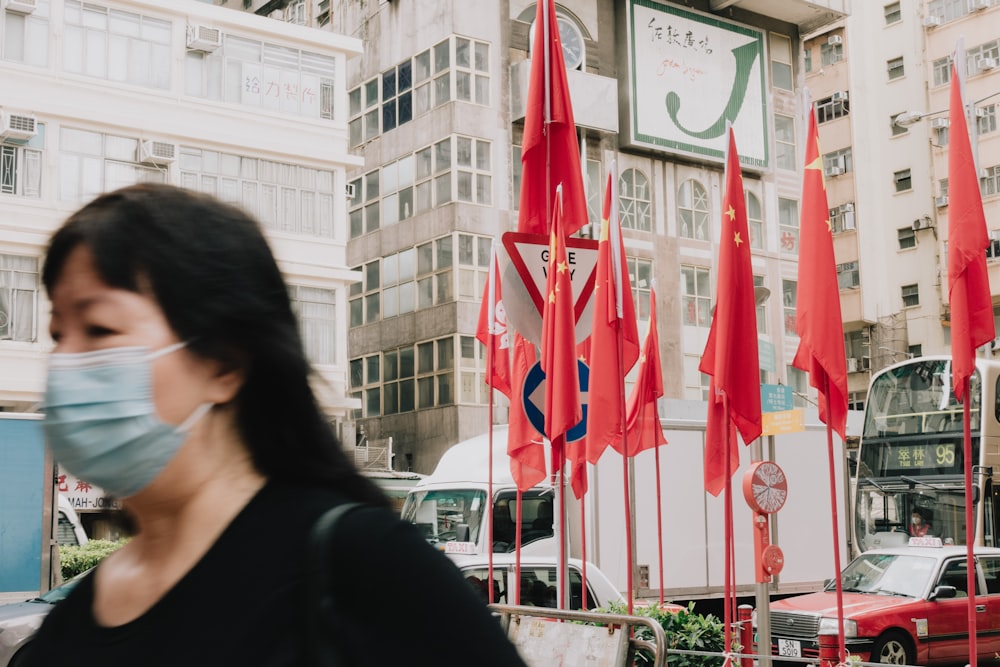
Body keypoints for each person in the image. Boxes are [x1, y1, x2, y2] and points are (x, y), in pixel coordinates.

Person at [23, 184, 527, 666]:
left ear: (223, 363)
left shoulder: (364, 570)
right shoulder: (73, 619)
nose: (65, 364)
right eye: (58, 334)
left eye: (99, 329)